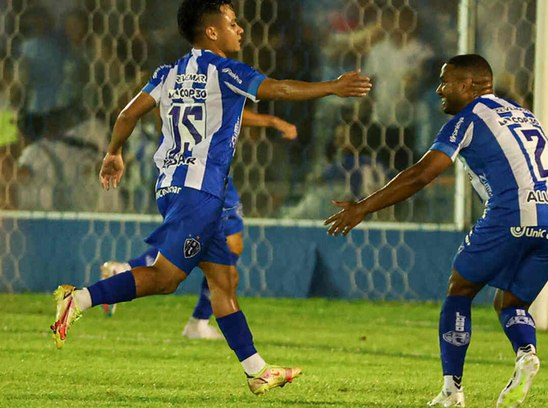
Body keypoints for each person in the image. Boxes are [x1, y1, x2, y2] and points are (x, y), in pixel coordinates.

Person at [49, 0, 371, 396]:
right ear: (212, 31)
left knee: (224, 280)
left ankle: (257, 371)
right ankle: (78, 300)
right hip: (199, 191)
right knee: (167, 279)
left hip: (173, 187)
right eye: (233, 23)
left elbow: (127, 115)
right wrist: (333, 87)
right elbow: (277, 89)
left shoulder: (167, 73)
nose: (241, 29)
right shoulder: (225, 70)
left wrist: (113, 152)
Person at [324, 54, 548, 407]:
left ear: (467, 85)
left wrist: (363, 207)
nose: (438, 90)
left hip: (513, 213)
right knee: (511, 302)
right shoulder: (525, 116)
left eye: (445, 82)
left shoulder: (468, 118)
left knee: (460, 290)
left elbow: (421, 174)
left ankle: (452, 391)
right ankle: (526, 353)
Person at [100, 109, 298, 340]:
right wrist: (272, 120)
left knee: (212, 241)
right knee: (219, 246)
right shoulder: (213, 76)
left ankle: (196, 320)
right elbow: (228, 110)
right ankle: (196, 321)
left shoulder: (173, 78)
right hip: (204, 171)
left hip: (180, 165)